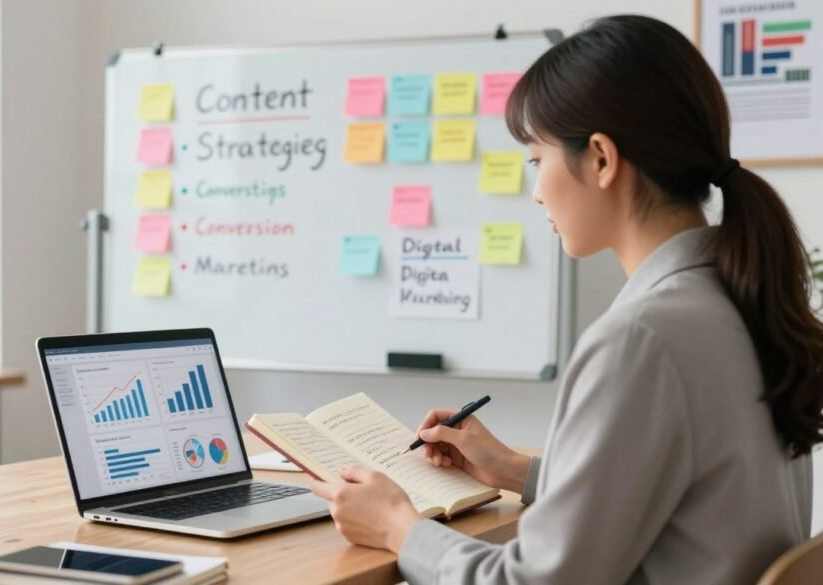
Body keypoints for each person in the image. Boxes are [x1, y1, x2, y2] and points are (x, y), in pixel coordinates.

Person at [309, 14, 821, 584]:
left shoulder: (642, 338)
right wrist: (515, 469)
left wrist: (398, 529)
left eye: (536, 159)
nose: (534, 191)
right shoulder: (737, 299)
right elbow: (675, 497)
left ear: (601, 159)